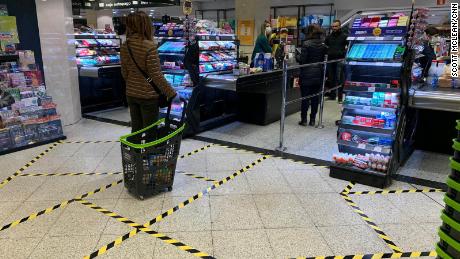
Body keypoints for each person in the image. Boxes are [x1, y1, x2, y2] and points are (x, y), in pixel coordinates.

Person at [120, 11, 176, 134]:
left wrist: (133, 84)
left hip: (131, 93)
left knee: (136, 129)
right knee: (150, 130)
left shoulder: (125, 45)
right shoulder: (149, 46)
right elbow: (156, 75)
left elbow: (124, 72)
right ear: (145, 25)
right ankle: (149, 153)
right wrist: (171, 93)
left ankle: (135, 152)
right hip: (148, 96)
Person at [297, 24, 328, 126]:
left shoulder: (306, 44)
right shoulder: (323, 45)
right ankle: (313, 120)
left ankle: (304, 119)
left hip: (306, 74)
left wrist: (297, 56)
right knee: (315, 98)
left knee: (305, 98)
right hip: (318, 74)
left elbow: (303, 60)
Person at [325, 19, 348, 102]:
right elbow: (326, 45)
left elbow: (348, 47)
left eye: (336, 26)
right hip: (330, 60)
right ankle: (332, 95)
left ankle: (340, 97)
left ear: (339, 26)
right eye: (333, 26)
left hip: (340, 60)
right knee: (331, 78)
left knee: (340, 79)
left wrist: (343, 53)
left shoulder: (344, 36)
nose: (334, 28)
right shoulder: (329, 37)